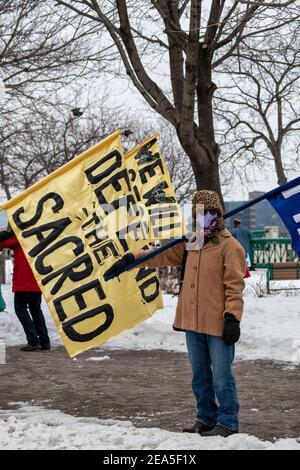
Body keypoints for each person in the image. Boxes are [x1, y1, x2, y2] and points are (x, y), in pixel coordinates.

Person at [105, 191, 246, 437]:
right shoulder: (191, 242)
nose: (205, 219)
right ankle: (205, 418)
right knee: (199, 376)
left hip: (218, 324)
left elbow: (235, 286)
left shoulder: (231, 247)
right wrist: (130, 259)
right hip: (192, 322)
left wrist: (232, 318)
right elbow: (157, 254)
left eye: (210, 214)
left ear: (219, 215)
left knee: (222, 378)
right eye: (199, 214)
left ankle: (227, 423)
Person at [0, 228, 50, 352]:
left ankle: (33, 341)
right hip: (37, 278)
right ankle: (44, 341)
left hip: (24, 280)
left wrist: (10, 232)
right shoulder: (38, 232)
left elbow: (2, 242)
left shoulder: (20, 234)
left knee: (20, 308)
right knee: (35, 308)